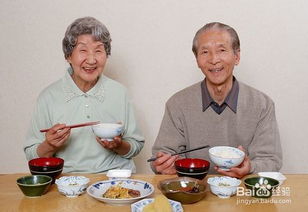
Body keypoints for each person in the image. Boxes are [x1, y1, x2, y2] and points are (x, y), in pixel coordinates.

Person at [151, 22, 282, 178]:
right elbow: (162, 156)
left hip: (242, 194)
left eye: (221, 50)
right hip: (193, 192)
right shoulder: (177, 104)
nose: (214, 60)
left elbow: (270, 160)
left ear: (237, 56)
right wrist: (163, 164)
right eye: (205, 52)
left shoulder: (262, 104)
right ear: (197, 60)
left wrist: (250, 167)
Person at [24, 17, 144, 173]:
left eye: (99, 50)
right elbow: (32, 156)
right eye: (83, 50)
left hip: (114, 177)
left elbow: (136, 145)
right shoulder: (48, 97)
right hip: (68, 181)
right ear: (68, 56)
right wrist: (50, 145)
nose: (92, 59)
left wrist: (119, 145)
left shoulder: (119, 92)